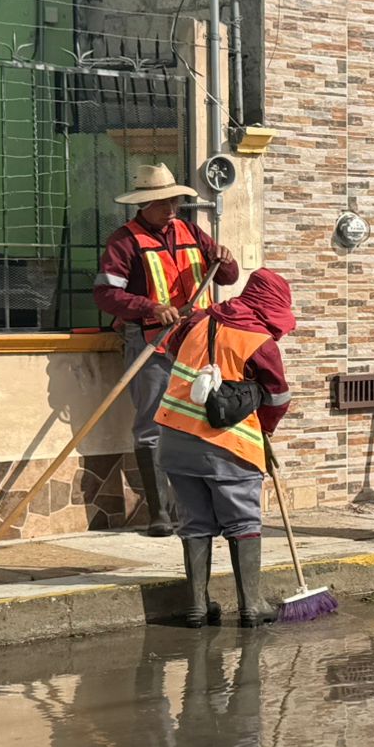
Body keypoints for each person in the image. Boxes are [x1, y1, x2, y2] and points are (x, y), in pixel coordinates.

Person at [95, 164, 239, 537]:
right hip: (152, 345)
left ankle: (198, 508)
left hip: (195, 344)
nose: (171, 208)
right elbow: (106, 294)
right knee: (152, 426)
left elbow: (227, 276)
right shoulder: (123, 242)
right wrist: (150, 308)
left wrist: (226, 258)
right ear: (144, 204)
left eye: (174, 200)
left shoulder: (192, 232)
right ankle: (160, 513)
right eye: (163, 203)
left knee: (199, 422)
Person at [155, 269, 295, 628]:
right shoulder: (259, 341)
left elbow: (170, 349)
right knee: (243, 522)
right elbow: (277, 396)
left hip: (174, 437)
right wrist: (265, 427)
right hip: (227, 447)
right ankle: (251, 605)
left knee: (195, 522)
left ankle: (198, 607)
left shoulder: (197, 322)